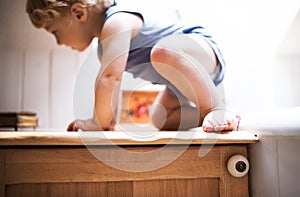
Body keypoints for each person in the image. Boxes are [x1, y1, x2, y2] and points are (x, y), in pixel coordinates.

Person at [26, 0, 240, 132]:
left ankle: (214, 109)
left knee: (161, 53)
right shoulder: (103, 49)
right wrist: (109, 122)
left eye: (55, 32)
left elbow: (110, 78)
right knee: (159, 118)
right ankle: (217, 115)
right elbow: (113, 87)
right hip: (181, 82)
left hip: (199, 52)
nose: (59, 43)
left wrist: (96, 123)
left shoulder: (116, 22)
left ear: (79, 13)